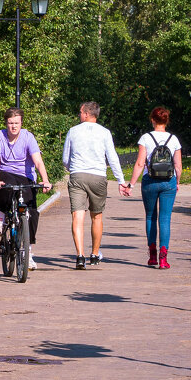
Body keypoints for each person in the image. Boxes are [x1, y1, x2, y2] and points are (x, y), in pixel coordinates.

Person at [62, 101, 126, 270]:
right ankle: (95, 254)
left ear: (86, 114)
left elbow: (65, 159)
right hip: (98, 176)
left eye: (80, 112)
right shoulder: (105, 133)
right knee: (96, 216)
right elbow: (112, 157)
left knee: (78, 216)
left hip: (77, 176)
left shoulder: (73, 131)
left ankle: (80, 256)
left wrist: (74, 169)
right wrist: (121, 181)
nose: (79, 114)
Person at [0, 108, 53, 270]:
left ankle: (27, 252)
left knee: (32, 212)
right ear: (6, 123)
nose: (13, 126)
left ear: (21, 123)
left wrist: (45, 180)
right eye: (10, 123)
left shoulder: (28, 137)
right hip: (5, 172)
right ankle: (0, 218)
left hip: (26, 177)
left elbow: (38, 161)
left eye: (16, 123)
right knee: (6, 185)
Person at [120, 106, 183, 269]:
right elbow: (178, 165)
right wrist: (177, 182)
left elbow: (140, 163)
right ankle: (164, 258)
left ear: (152, 120)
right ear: (166, 121)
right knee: (165, 219)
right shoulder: (174, 139)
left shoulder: (145, 138)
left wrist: (131, 184)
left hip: (150, 181)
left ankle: (152, 256)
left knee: (150, 217)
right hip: (169, 181)